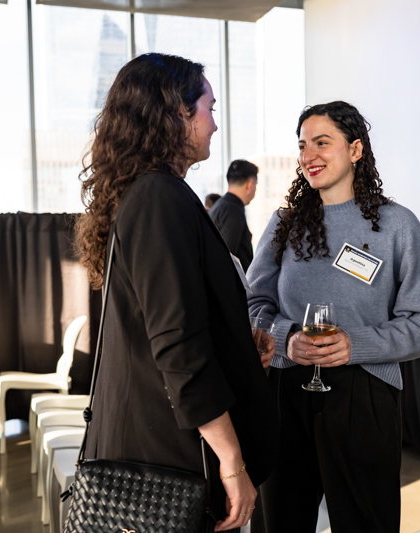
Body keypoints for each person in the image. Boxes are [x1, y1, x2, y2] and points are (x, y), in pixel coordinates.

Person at [73, 53, 277, 532]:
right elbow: (178, 348)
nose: (214, 124)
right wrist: (232, 463)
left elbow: (170, 323)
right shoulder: (159, 198)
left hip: (158, 449)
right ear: (175, 113)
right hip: (165, 463)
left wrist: (236, 347)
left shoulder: (151, 195)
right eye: (208, 107)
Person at [246, 101, 420, 532]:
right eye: (302, 145)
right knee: (279, 522)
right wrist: (285, 338)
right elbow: (252, 305)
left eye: (322, 142)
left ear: (355, 150)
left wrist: (358, 345)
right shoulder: (284, 224)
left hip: (365, 395)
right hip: (287, 391)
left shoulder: (396, 226)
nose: (308, 156)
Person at [209, 160, 258, 271]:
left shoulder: (219, 206)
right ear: (249, 185)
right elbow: (226, 257)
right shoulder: (233, 210)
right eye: (256, 185)